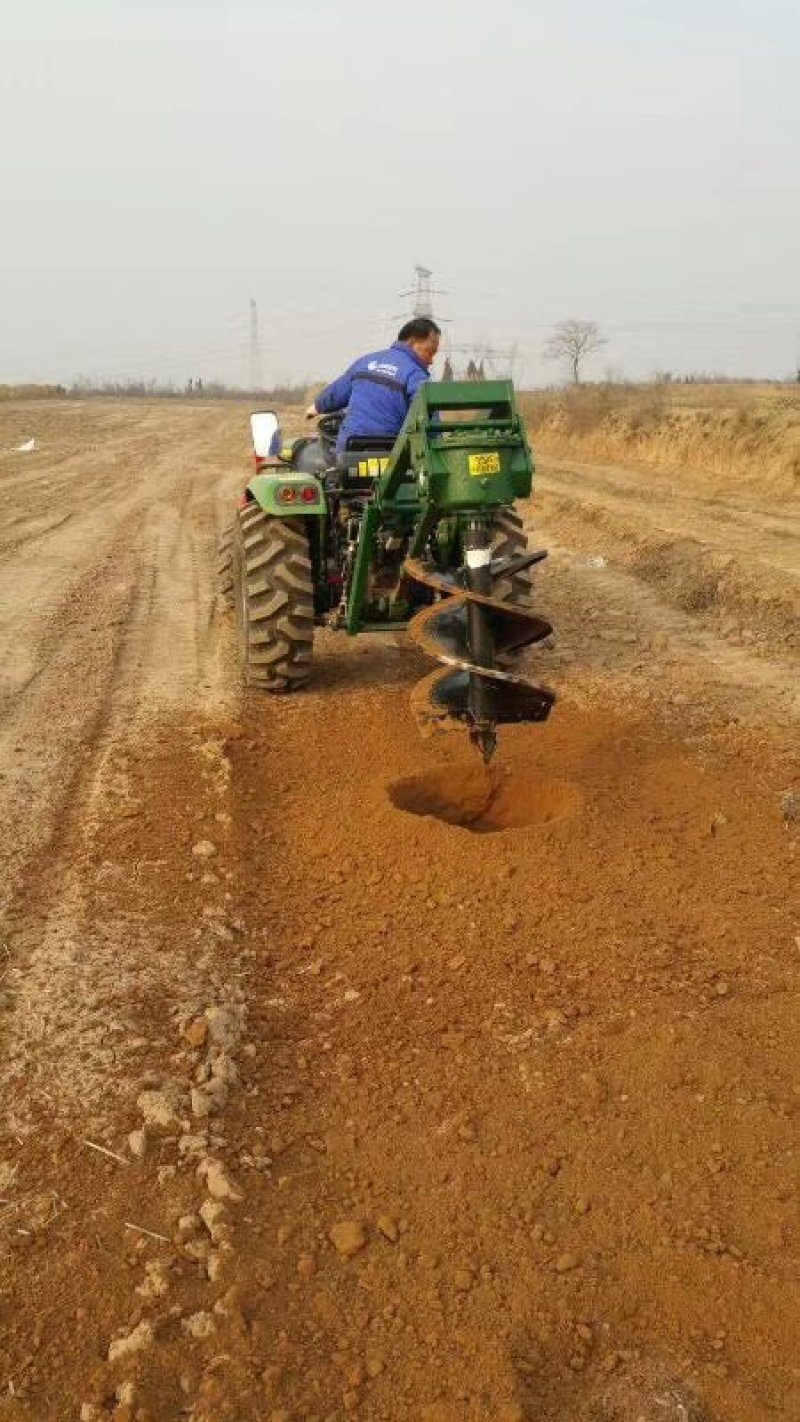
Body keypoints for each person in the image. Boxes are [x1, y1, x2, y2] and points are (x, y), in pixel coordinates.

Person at [305, 317, 441, 455]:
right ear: (412, 342)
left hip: (349, 447)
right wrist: (438, 447)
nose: (431, 361)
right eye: (429, 352)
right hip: (390, 453)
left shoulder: (366, 362)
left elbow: (338, 391)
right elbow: (427, 416)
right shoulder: (416, 375)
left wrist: (317, 406)